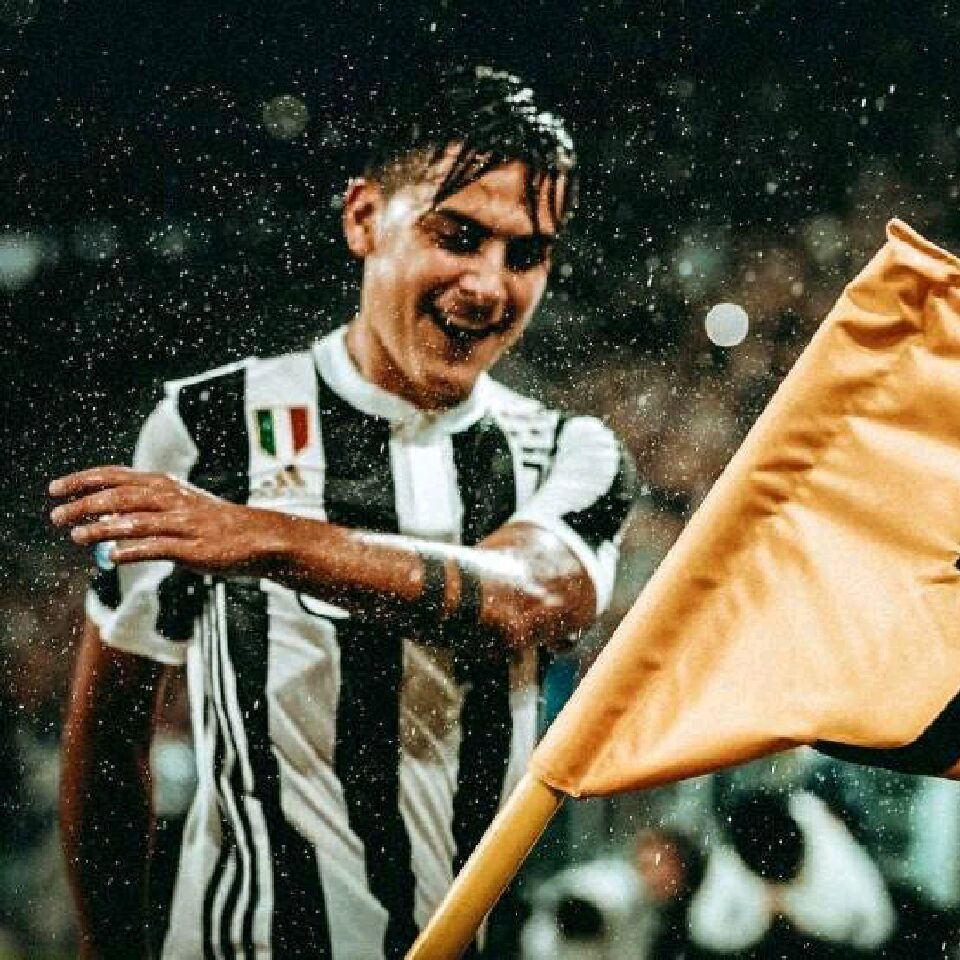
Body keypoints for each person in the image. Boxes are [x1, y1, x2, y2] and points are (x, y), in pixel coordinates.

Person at [50, 65, 636, 960]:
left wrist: (269, 538)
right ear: (364, 218)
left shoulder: (571, 452)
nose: (489, 284)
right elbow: (109, 732)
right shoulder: (208, 427)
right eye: (458, 236)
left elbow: (528, 599)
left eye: (525, 254)